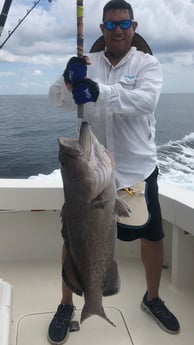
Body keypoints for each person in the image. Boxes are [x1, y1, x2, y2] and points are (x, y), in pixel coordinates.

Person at [47, 1, 180, 343]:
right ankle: (66, 305)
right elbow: (58, 100)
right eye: (110, 25)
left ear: (134, 27)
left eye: (124, 24)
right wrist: (68, 78)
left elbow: (144, 102)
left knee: (151, 236)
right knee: (74, 236)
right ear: (102, 29)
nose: (117, 30)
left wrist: (99, 91)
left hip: (135, 173)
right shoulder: (87, 65)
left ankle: (153, 298)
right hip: (90, 173)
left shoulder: (147, 64)